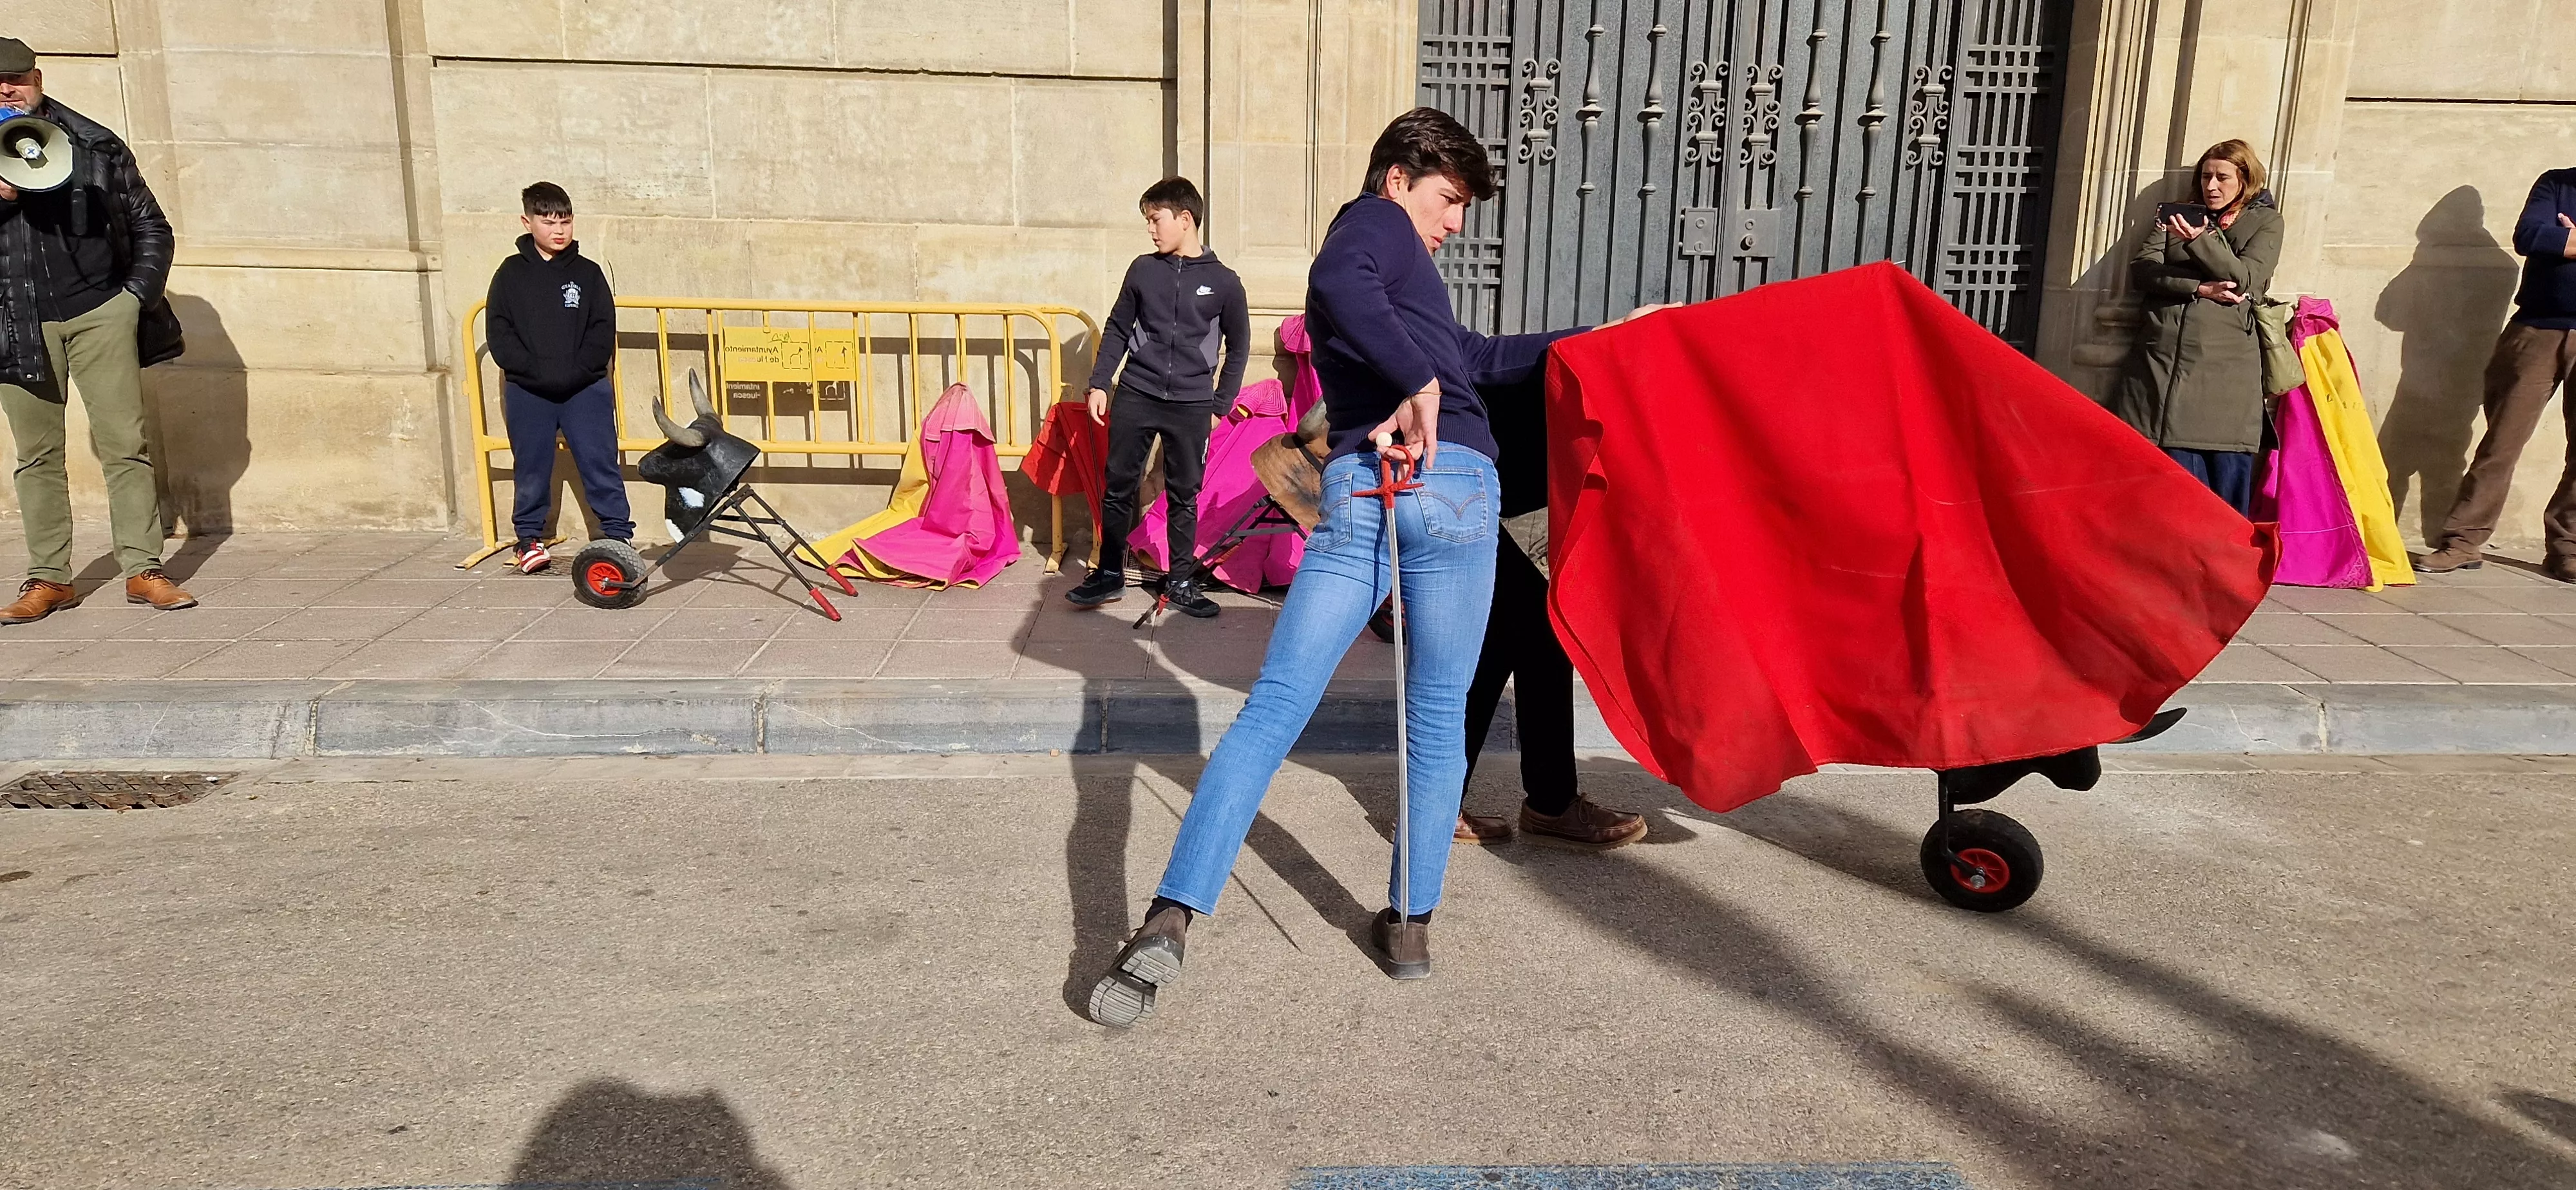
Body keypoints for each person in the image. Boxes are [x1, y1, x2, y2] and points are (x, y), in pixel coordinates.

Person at [1084, 108, 1665, 1028]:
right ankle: (1409, 926)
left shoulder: (1403, 263)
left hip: (1370, 486)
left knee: (1277, 706)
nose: (1457, 222)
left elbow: (1476, 355)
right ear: (1399, 177)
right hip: (1457, 490)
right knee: (1435, 719)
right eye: (1449, 199)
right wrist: (1423, 386)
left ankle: (1171, 915)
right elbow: (1340, 282)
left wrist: (1599, 339)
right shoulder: (1370, 225)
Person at [0, 36, 195, 624]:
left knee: (123, 446)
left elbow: (151, 226)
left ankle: (144, 570)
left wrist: (132, 299)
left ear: (36, 79)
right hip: (13, 320)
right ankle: (49, 579)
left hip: (98, 312)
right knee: (36, 456)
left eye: (15, 81)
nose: (6, 93)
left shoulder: (93, 142)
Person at [1451, 371, 1647, 849]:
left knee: (1537, 640)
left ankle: (1549, 800)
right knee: (1497, 644)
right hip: (1497, 481)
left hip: (1524, 482)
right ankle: (1445, 803)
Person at [1065, 177, 1249, 618]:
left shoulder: (1224, 282)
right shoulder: (1142, 270)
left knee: (1185, 493)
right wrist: (1100, 382)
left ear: (1185, 219)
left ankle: (1182, 581)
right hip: (1137, 393)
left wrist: (1218, 407)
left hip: (1191, 404)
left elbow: (1239, 348)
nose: (1151, 229)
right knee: (1118, 486)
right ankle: (1109, 574)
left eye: (1156, 219)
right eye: (1148, 220)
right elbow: (1117, 327)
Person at [2414, 165, 2576, 579]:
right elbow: (2530, 237)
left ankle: (2567, 548)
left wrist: (2570, 241)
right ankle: (2462, 542)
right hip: (2537, 329)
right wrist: (2557, 240)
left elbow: (2552, 242)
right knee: (2501, 442)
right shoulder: (2556, 183)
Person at [2108, 139, 2282, 516]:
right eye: (2206, 176)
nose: (2211, 186)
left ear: (2245, 180)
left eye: (2222, 177)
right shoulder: (2178, 214)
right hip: (2160, 359)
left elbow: (2246, 277)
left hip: (2219, 368)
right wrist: (2197, 287)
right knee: (2153, 475)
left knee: (2214, 482)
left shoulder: (2265, 221)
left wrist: (2199, 241)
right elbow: (2144, 269)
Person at [485, 182, 627, 574]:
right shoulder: (510, 274)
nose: (558, 230)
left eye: (564, 221)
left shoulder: (589, 274)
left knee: (600, 462)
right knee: (532, 465)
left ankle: (616, 535)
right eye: (548, 222)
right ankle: (529, 539)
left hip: (585, 390)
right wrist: (533, 372)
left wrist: (578, 372)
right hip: (529, 391)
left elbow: (602, 329)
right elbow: (499, 331)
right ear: (527, 222)